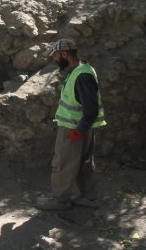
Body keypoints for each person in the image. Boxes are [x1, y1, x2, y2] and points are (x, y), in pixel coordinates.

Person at [35, 38, 107, 211]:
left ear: (64, 54)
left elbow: (90, 109)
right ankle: (90, 198)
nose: (54, 59)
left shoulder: (81, 76)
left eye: (55, 55)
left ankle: (59, 200)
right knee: (84, 162)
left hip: (74, 129)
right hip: (82, 127)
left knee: (63, 163)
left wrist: (79, 130)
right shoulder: (82, 70)